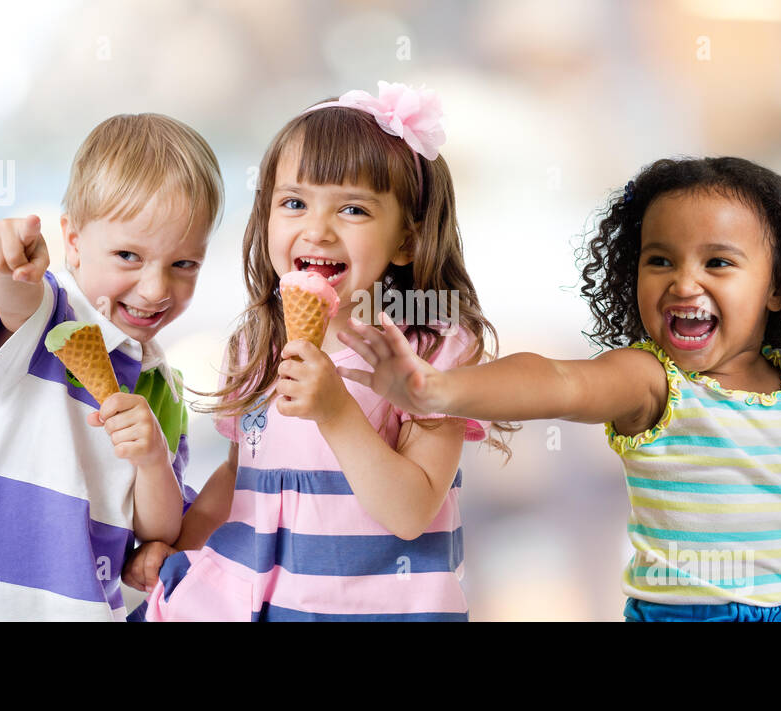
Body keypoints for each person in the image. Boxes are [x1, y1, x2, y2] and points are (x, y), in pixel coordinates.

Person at [338, 156, 781, 621]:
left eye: (718, 263)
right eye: (660, 261)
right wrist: (440, 389)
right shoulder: (653, 380)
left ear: (778, 288)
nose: (684, 282)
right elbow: (558, 379)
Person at [124, 82, 512, 621]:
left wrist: (336, 411)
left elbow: (410, 511)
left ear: (406, 239)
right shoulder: (258, 342)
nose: (317, 229)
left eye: (353, 209)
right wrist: (181, 547)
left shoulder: (431, 346)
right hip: (256, 600)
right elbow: (237, 480)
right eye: (294, 203)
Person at [0, 114, 224, 621]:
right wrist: (7, 263)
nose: (156, 288)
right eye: (128, 255)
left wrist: (151, 459)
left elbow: (157, 530)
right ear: (72, 242)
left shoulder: (162, 385)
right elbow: (15, 298)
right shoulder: (48, 313)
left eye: (184, 264)